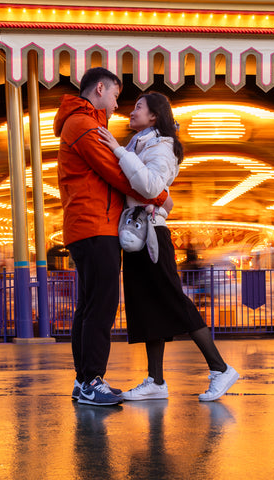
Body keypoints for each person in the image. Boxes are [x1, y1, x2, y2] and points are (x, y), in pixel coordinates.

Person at [97, 91, 239, 402]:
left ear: (154, 115)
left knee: (173, 300)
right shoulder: (140, 144)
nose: (131, 111)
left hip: (152, 234)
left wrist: (119, 152)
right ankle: (156, 380)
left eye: (138, 107)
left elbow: (150, 186)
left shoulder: (161, 146)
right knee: (146, 305)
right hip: (136, 231)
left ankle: (220, 367)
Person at [53, 67, 168, 406]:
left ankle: (84, 380)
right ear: (100, 88)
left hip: (89, 224)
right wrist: (160, 197)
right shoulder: (83, 125)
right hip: (94, 225)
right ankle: (91, 381)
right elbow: (117, 173)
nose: (118, 105)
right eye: (116, 96)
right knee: (101, 306)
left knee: (89, 306)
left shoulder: (86, 123)